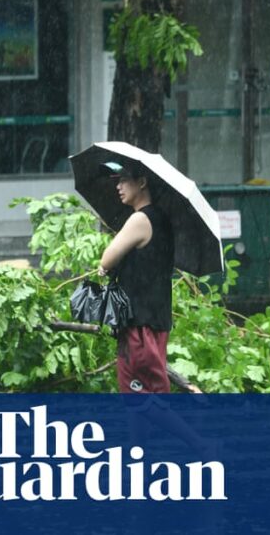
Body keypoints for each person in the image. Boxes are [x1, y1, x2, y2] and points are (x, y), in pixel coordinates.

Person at [97, 161, 174, 394]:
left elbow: (106, 258)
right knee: (138, 399)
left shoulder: (140, 220)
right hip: (154, 321)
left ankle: (192, 433)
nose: (118, 186)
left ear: (142, 182)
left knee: (148, 399)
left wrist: (108, 265)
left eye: (123, 180)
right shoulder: (161, 220)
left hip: (140, 326)